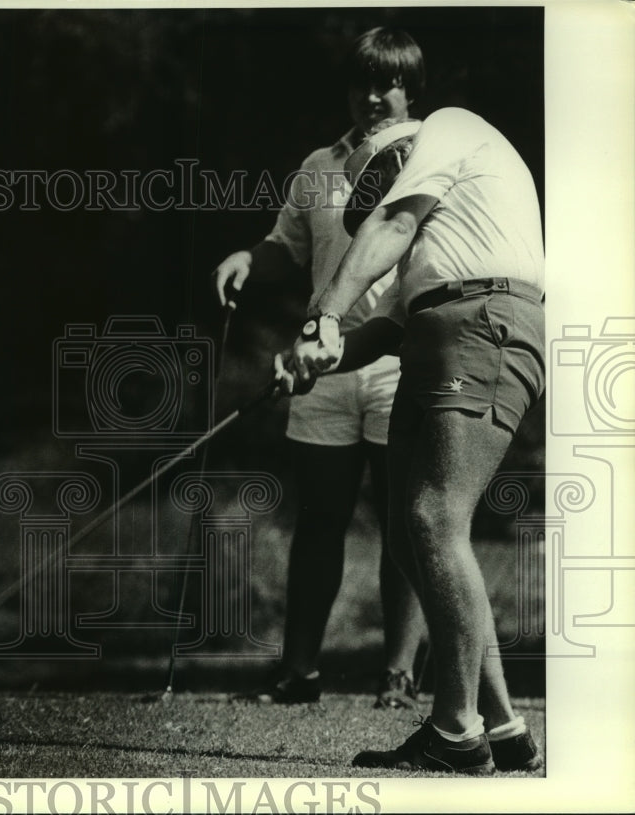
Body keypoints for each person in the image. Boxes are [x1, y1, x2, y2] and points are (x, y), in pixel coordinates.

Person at [278, 107, 544, 773]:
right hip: (436, 329)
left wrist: (325, 315)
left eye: (373, 187)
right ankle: (503, 723)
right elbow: (383, 332)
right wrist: (312, 359)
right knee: (406, 530)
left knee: (434, 516)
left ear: (398, 156)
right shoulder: (438, 236)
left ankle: (457, 732)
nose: (374, 202)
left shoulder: (445, 130)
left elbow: (392, 223)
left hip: (480, 321)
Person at [213, 27, 426, 708]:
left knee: (406, 525)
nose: (371, 96)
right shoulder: (318, 165)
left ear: (410, 88)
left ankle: (398, 673)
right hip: (323, 363)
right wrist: (250, 258)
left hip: (400, 359)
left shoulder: (429, 158)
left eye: (386, 83)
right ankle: (299, 669)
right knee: (321, 518)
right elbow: (286, 246)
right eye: (360, 82)